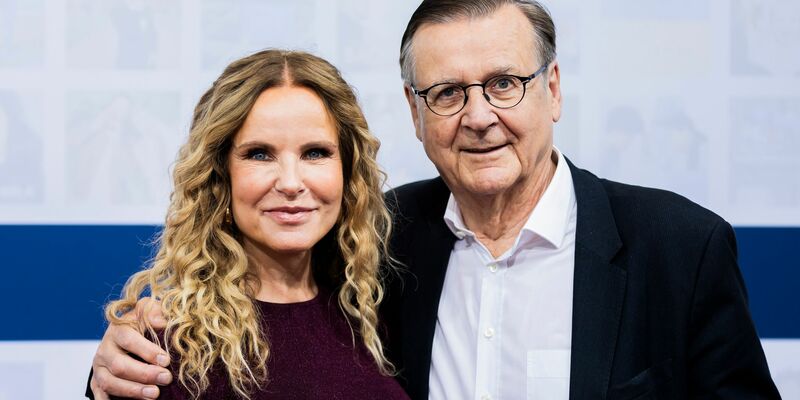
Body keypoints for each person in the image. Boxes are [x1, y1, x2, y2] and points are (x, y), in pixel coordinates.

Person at [89, 1, 781, 399]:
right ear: (415, 115)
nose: (478, 116)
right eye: (447, 93)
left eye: (504, 82)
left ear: (555, 89)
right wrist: (104, 380)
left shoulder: (680, 249)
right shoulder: (379, 244)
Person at [89, 49, 410, 399]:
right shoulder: (166, 347)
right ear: (220, 177)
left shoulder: (366, 315)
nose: (290, 182)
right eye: (259, 154)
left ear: (347, 174)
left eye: (315, 153)